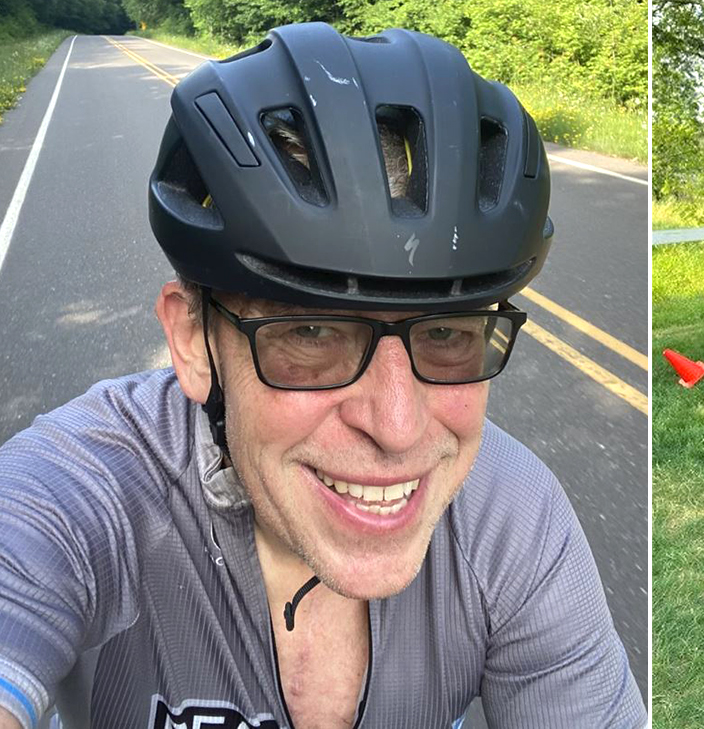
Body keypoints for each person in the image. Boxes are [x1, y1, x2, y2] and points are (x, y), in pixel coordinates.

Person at [0, 23, 645, 729]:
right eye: (311, 333)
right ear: (192, 339)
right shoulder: (80, 494)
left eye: (448, 332)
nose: (398, 427)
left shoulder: (515, 522)